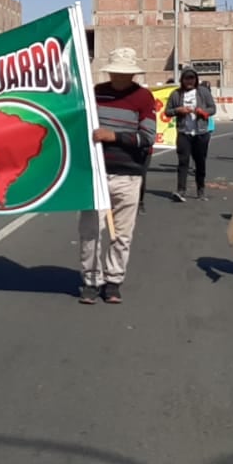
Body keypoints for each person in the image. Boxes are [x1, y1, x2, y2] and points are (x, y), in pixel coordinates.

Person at [79, 47, 156, 305]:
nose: (120, 77)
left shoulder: (143, 97)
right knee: (91, 231)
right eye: (116, 72)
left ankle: (114, 280)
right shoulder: (95, 93)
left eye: (124, 73)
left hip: (128, 174)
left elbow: (147, 138)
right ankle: (91, 280)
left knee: (122, 233)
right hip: (96, 174)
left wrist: (114, 136)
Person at [166, 66, 215, 201]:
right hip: (184, 132)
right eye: (187, 78)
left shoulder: (203, 92)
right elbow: (167, 111)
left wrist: (203, 112)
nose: (189, 81)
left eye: (192, 78)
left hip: (201, 132)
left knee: (200, 162)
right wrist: (178, 110)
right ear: (182, 79)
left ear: (196, 79)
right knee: (183, 161)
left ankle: (201, 190)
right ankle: (181, 190)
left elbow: (213, 108)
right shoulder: (176, 94)